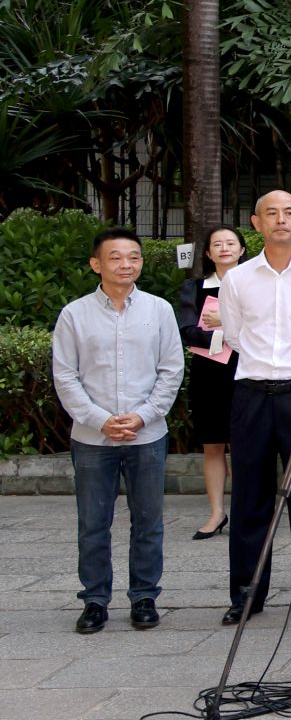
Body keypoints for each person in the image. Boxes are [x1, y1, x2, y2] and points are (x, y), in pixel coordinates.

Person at [54, 228, 183, 634]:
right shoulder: (74, 314)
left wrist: (143, 416)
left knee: (149, 522)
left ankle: (144, 597)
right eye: (116, 257)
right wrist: (100, 420)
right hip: (92, 438)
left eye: (133, 257)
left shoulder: (159, 309)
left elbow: (171, 370)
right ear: (96, 264)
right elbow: (65, 376)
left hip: (148, 435)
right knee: (93, 523)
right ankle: (95, 601)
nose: (126, 264)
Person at [216, 190, 291, 624]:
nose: (281, 219)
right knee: (250, 497)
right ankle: (247, 593)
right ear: (256, 223)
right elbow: (234, 335)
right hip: (252, 394)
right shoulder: (237, 278)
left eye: (289, 213)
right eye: (271, 213)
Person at [176, 225, 244, 540]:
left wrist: (222, 323)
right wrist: (226, 332)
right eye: (217, 244)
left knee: (245, 446)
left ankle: (246, 513)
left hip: (247, 371)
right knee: (213, 445)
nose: (224, 248)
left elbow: (267, 326)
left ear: (242, 250)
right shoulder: (195, 287)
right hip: (209, 374)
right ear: (208, 253)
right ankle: (217, 512)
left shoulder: (253, 286)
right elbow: (188, 330)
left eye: (230, 243)